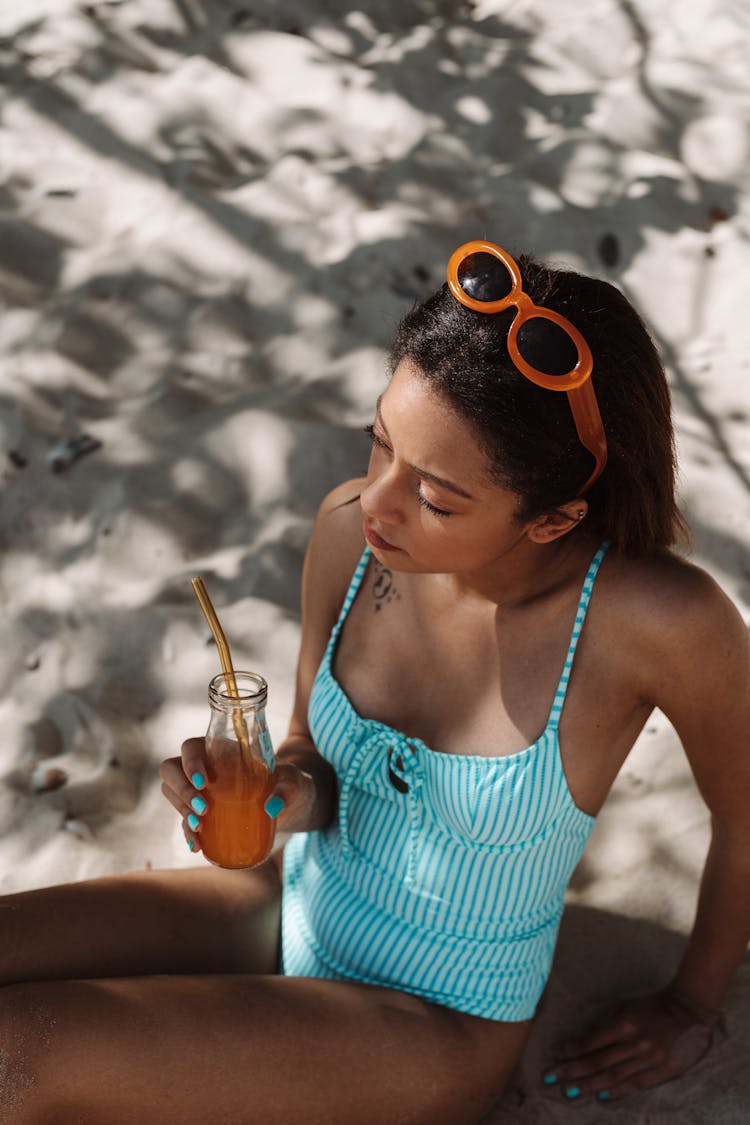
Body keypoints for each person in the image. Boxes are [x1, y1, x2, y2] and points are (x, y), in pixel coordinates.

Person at [1, 239, 748, 1124]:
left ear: (553, 517)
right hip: (286, 905)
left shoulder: (653, 622)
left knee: (17, 1054)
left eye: (435, 497)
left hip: (437, 1021)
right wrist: (279, 795)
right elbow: (313, 758)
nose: (378, 501)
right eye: (379, 445)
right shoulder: (353, 534)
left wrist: (690, 1006)